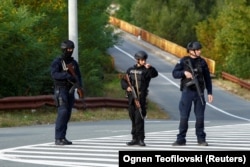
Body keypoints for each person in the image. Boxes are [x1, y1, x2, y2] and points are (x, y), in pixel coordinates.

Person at [172, 41, 213, 146]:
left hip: (199, 92)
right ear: (191, 51)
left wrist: (209, 92)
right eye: (198, 50)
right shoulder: (183, 61)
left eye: (200, 49)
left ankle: (201, 139)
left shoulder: (202, 62)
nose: (200, 51)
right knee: (184, 116)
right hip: (187, 92)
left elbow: (207, 78)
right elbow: (174, 73)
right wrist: (184, 73)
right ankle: (181, 139)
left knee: (200, 117)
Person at [121, 50, 158, 146]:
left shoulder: (146, 70)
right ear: (137, 60)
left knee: (139, 118)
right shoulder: (130, 70)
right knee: (133, 117)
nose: (144, 61)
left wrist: (150, 68)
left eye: (144, 60)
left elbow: (154, 74)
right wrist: (127, 87)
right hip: (131, 98)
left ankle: (141, 139)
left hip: (141, 97)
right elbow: (123, 81)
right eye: (142, 60)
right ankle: (134, 138)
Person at [50, 40, 83, 145]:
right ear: (63, 49)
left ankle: (63, 137)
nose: (70, 51)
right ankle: (58, 138)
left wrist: (79, 87)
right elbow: (54, 74)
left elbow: (78, 76)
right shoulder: (58, 62)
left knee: (67, 113)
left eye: (71, 49)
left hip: (70, 90)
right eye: (68, 49)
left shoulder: (74, 63)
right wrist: (66, 76)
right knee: (63, 112)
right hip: (61, 89)